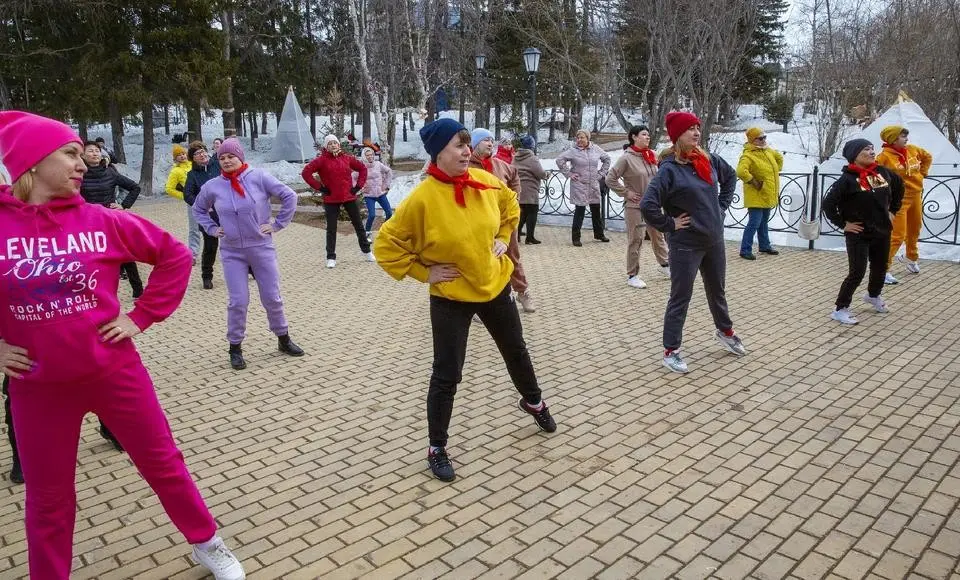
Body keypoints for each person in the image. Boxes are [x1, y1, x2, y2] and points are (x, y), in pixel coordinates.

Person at [0, 110, 245, 580]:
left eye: (81, 153)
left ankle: (207, 542)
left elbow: (174, 256)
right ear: (32, 162)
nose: (82, 164)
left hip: (113, 372)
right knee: (48, 497)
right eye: (70, 154)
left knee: (163, 464)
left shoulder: (100, 220)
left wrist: (140, 316)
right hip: (38, 387)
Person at [373, 118, 556, 483]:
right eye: (458, 145)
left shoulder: (486, 182)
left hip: (494, 285)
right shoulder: (421, 200)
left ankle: (533, 401)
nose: (466, 151)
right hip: (450, 298)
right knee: (447, 373)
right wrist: (425, 273)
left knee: (516, 351)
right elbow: (385, 245)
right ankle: (436, 447)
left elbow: (511, 206)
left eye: (467, 144)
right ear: (438, 152)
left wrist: (504, 235)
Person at [641, 111, 746, 374]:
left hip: (713, 240)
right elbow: (647, 205)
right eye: (690, 129)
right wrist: (669, 224)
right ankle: (671, 350)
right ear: (677, 135)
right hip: (686, 244)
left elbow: (730, 177)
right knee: (680, 297)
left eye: (698, 127)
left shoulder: (707, 160)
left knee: (717, 290)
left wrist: (720, 208)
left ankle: (725, 331)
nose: (697, 133)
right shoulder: (669, 170)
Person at [193, 138, 304, 370]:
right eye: (222, 158)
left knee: (272, 297)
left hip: (261, 248)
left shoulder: (259, 177)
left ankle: (283, 338)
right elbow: (198, 209)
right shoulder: (213, 186)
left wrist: (277, 224)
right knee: (238, 301)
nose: (226, 161)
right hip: (232, 251)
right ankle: (235, 347)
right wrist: (213, 229)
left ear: (240, 157)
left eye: (230, 156)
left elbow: (289, 196)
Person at [823, 139, 904, 325]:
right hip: (858, 233)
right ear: (855, 156)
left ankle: (873, 295)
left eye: (872, 148)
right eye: (866, 150)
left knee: (880, 267)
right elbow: (828, 205)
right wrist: (843, 224)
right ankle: (840, 309)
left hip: (882, 230)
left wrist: (893, 210)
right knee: (857, 272)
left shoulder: (879, 173)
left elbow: (899, 186)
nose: (871, 152)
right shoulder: (848, 179)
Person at [469, 128, 536, 313]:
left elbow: (515, 178)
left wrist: (514, 198)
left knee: (512, 256)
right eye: (485, 140)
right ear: (475, 144)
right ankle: (477, 302)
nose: (490, 143)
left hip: (504, 221)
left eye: (492, 140)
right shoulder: (466, 167)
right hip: (478, 224)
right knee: (479, 260)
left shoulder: (500, 165)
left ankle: (522, 291)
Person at [79, 141, 144, 303]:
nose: (94, 154)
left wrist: (123, 205)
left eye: (97, 151)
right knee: (94, 259)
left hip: (111, 219)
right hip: (89, 222)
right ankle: (97, 295)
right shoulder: (78, 174)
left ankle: (139, 291)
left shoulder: (110, 172)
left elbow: (135, 187)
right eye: (90, 151)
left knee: (126, 254)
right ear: (82, 155)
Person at [606, 125, 670, 289]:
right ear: (634, 137)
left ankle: (665, 266)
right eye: (643, 134)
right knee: (636, 238)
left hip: (654, 204)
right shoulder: (626, 158)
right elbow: (610, 178)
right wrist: (626, 192)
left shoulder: (652, 155)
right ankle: (632, 275)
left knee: (658, 235)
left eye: (648, 134)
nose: (647, 137)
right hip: (635, 206)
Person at [301, 134, 373, 268]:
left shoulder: (347, 158)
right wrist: (320, 187)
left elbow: (362, 168)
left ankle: (367, 251)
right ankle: (331, 257)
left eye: (335, 143)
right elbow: (306, 173)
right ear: (326, 146)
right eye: (330, 143)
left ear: (339, 145)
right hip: (331, 199)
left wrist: (357, 186)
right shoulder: (321, 160)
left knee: (358, 225)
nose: (333, 145)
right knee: (331, 229)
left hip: (349, 197)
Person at [877, 125, 932, 284]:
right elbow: (873, 176)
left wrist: (923, 173)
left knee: (915, 228)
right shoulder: (883, 157)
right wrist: (884, 194)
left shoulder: (913, 150)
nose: (906, 139)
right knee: (897, 235)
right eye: (902, 136)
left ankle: (910, 257)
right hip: (898, 200)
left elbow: (927, 157)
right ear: (893, 139)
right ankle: (883, 269)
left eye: (906, 136)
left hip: (915, 195)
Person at [556, 129, 611, 246]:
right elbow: (559, 160)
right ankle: (576, 237)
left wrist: (601, 174)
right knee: (580, 210)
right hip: (579, 185)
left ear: (588, 138)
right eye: (578, 138)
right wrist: (569, 174)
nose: (579, 140)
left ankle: (599, 234)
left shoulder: (596, 149)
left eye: (582, 137)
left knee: (596, 209)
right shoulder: (573, 151)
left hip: (593, 184)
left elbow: (607, 159)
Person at [736, 127, 784, 260]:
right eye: (760, 138)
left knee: (763, 222)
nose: (763, 140)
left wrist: (775, 168)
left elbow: (779, 160)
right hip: (756, 195)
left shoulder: (767, 152)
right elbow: (740, 171)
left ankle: (764, 246)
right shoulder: (748, 155)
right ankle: (745, 250)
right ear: (752, 140)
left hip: (766, 193)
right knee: (754, 222)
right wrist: (753, 181)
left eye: (764, 137)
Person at [184, 141, 222, 289]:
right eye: (197, 153)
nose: (202, 154)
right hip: (209, 217)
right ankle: (207, 276)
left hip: (228, 212)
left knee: (237, 242)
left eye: (203, 151)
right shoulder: (192, 175)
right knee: (210, 247)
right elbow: (188, 195)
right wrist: (202, 206)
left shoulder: (218, 165)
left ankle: (249, 268)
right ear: (193, 158)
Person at [166, 144, 202, 263]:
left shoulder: (194, 164)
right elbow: (169, 189)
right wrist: (185, 196)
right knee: (194, 229)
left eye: (183, 153)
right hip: (192, 202)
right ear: (175, 159)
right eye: (178, 155)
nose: (182, 156)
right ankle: (193, 254)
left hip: (206, 198)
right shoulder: (175, 171)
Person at [513, 135, 547, 245]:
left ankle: (516, 235)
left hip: (518, 189)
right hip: (530, 190)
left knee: (521, 214)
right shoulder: (532, 158)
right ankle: (530, 237)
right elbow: (540, 173)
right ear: (532, 146)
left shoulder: (515, 157)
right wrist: (547, 174)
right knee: (532, 213)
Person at [360, 146, 394, 239]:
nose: (370, 156)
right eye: (367, 155)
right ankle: (367, 234)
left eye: (371, 154)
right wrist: (361, 188)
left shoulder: (378, 164)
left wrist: (386, 185)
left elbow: (389, 172)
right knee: (372, 215)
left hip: (380, 194)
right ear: (364, 156)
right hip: (369, 195)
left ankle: (384, 231)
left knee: (389, 213)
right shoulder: (362, 167)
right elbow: (353, 178)